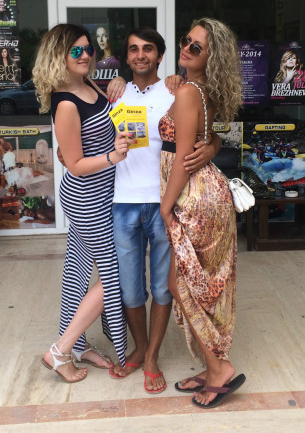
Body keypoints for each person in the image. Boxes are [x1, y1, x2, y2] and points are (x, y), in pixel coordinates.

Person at [105, 27, 221, 394]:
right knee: (129, 289)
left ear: (159, 54)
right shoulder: (114, 93)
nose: (140, 55)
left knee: (162, 287)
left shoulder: (175, 90)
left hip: (164, 202)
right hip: (122, 202)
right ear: (126, 57)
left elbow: (207, 130)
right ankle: (140, 347)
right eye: (133, 49)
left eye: (148, 49)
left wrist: (213, 146)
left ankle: (152, 356)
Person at [33, 23, 131, 383]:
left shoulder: (88, 84)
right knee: (116, 276)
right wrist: (113, 157)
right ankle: (60, 352)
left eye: (88, 49)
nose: (86, 55)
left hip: (102, 193)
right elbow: (73, 163)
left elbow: (110, 113)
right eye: (76, 50)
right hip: (88, 197)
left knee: (77, 272)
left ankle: (77, 346)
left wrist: (118, 82)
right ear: (58, 55)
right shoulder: (65, 104)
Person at [159, 18, 245, 408]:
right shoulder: (199, 88)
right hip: (205, 193)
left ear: (212, 57)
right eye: (186, 41)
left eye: (197, 47)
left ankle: (218, 369)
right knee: (192, 284)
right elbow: (209, 138)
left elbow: (181, 160)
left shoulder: (189, 92)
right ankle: (214, 365)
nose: (187, 48)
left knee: (182, 285)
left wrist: (165, 206)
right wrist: (211, 146)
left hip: (193, 197)